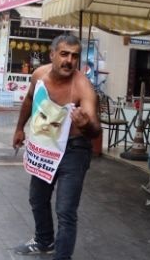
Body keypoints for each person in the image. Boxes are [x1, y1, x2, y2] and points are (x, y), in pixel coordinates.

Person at [12, 34, 101, 259]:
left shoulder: (83, 87)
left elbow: (96, 129)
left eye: (74, 56)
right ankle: (44, 241)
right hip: (46, 147)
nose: (69, 60)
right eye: (64, 54)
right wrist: (19, 128)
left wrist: (86, 125)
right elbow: (30, 100)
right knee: (37, 198)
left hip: (75, 150)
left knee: (65, 211)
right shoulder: (39, 75)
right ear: (52, 54)